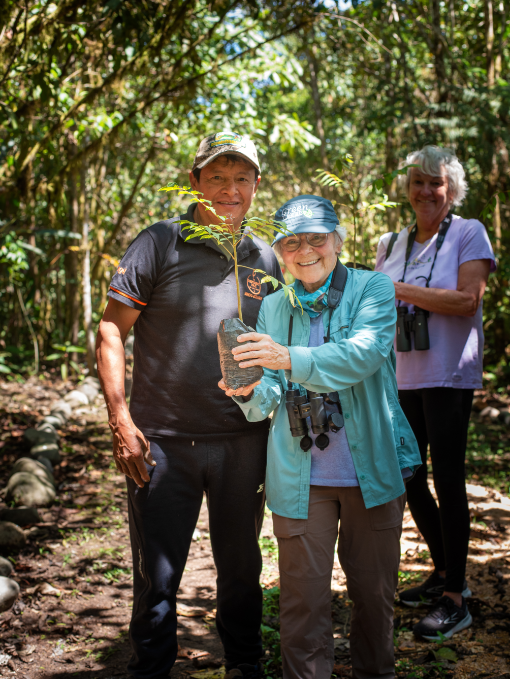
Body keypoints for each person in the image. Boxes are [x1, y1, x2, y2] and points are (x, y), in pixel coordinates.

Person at [96, 131, 284, 679]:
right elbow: (111, 328)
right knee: (158, 573)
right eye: (218, 177)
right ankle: (151, 667)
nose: (230, 189)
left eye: (242, 178)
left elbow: (276, 345)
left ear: (255, 185)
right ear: (196, 179)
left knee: (243, 567)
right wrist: (120, 419)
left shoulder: (265, 256)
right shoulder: (159, 242)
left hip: (243, 441)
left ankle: (245, 663)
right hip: (163, 444)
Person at [219, 195, 421, 679]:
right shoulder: (272, 306)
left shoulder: (372, 288)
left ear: (337, 240)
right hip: (299, 480)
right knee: (302, 609)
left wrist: (285, 358)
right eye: (291, 242)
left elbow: (363, 356)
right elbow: (268, 394)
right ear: (280, 252)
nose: (305, 250)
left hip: (370, 472)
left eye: (316, 238)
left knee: (374, 601)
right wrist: (245, 390)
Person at [375, 146, 496, 641]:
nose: (426, 191)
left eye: (436, 183)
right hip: (402, 375)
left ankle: (456, 598)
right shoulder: (391, 242)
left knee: (447, 477)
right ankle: (443, 571)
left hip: (448, 374)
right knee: (408, 475)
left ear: (452, 189)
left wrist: (397, 290)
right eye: (418, 182)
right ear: (406, 188)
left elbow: (467, 301)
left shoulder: (469, 232)